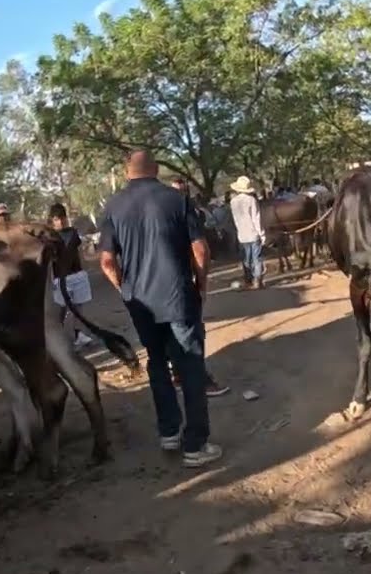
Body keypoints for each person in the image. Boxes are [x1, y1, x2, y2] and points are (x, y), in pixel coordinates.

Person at [98, 149, 222, 467]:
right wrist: (202, 285)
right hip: (178, 296)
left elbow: (107, 261)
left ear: (127, 171)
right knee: (190, 365)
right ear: (154, 169)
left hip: (141, 303)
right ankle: (195, 445)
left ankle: (168, 432)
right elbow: (200, 249)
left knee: (156, 362)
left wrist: (126, 290)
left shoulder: (112, 206)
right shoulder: (177, 199)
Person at [167, 179, 231, 397]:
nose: (180, 194)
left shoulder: (158, 214)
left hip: (154, 286)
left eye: (183, 191)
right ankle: (199, 381)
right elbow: (200, 250)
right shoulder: (186, 211)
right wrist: (202, 283)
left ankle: (176, 373)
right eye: (177, 191)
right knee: (191, 332)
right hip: (180, 281)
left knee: (172, 331)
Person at [48, 203, 96, 350]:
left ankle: (78, 335)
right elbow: (49, 261)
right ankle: (58, 339)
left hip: (78, 275)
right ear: (52, 220)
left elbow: (81, 253)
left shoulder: (74, 233)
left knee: (79, 308)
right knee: (63, 310)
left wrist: (85, 271)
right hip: (61, 279)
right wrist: (51, 281)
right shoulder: (50, 238)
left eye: (62, 218)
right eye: (57, 219)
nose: (60, 221)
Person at [228, 175, 265, 289]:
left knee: (246, 259)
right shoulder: (251, 200)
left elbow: (235, 219)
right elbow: (256, 218)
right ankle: (257, 280)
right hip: (253, 233)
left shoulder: (233, 202)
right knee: (256, 258)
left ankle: (248, 280)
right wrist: (262, 233)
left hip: (242, 235)